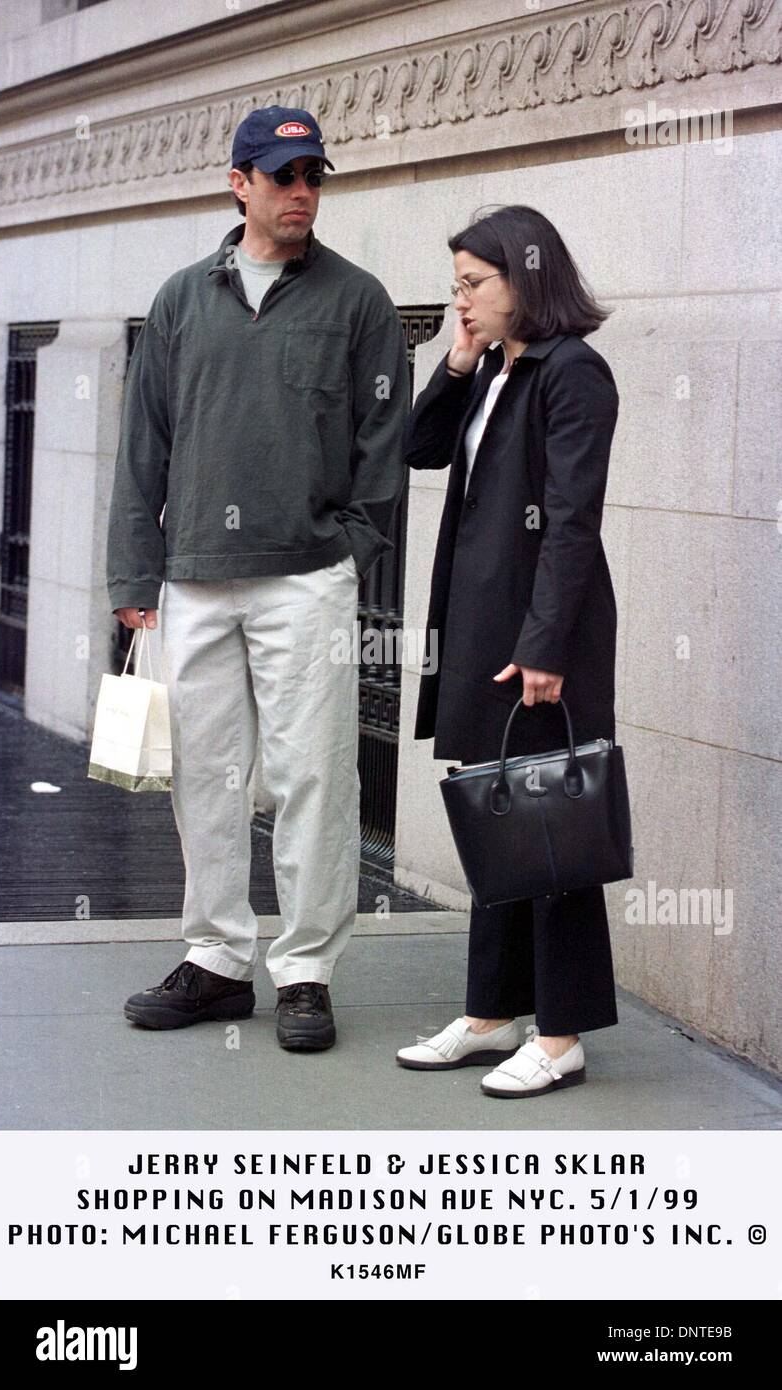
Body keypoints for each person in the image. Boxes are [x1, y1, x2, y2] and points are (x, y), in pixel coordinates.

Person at [107, 106, 410, 1050]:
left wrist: (351, 549)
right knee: (206, 773)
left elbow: (383, 447)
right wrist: (135, 569)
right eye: (283, 177)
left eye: (313, 176)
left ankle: (307, 970)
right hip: (195, 576)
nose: (302, 193)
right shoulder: (180, 299)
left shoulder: (358, 301)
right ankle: (217, 960)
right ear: (239, 183)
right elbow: (142, 444)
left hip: (306, 577)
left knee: (316, 774)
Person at [396, 204, 620, 1097]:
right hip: (487, 632)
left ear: (527, 280)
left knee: (554, 830)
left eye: (474, 286)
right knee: (499, 819)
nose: (463, 303)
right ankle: (492, 1017)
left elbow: (572, 522)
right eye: (455, 288)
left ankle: (561, 1034)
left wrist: (544, 647)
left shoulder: (575, 374)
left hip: (540, 640)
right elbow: (417, 448)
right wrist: (454, 365)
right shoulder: (492, 369)